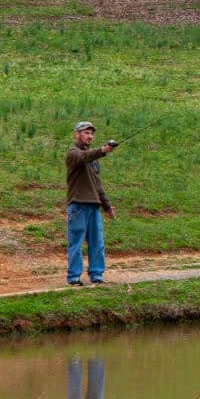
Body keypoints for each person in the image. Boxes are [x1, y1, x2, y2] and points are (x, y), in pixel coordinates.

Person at [66, 121, 116, 286]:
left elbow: (98, 185)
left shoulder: (94, 160)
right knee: (76, 243)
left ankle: (96, 275)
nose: (90, 136)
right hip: (78, 206)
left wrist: (107, 206)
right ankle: (74, 277)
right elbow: (83, 157)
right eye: (86, 133)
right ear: (77, 134)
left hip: (94, 206)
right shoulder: (73, 153)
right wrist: (103, 150)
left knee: (97, 243)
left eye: (91, 133)